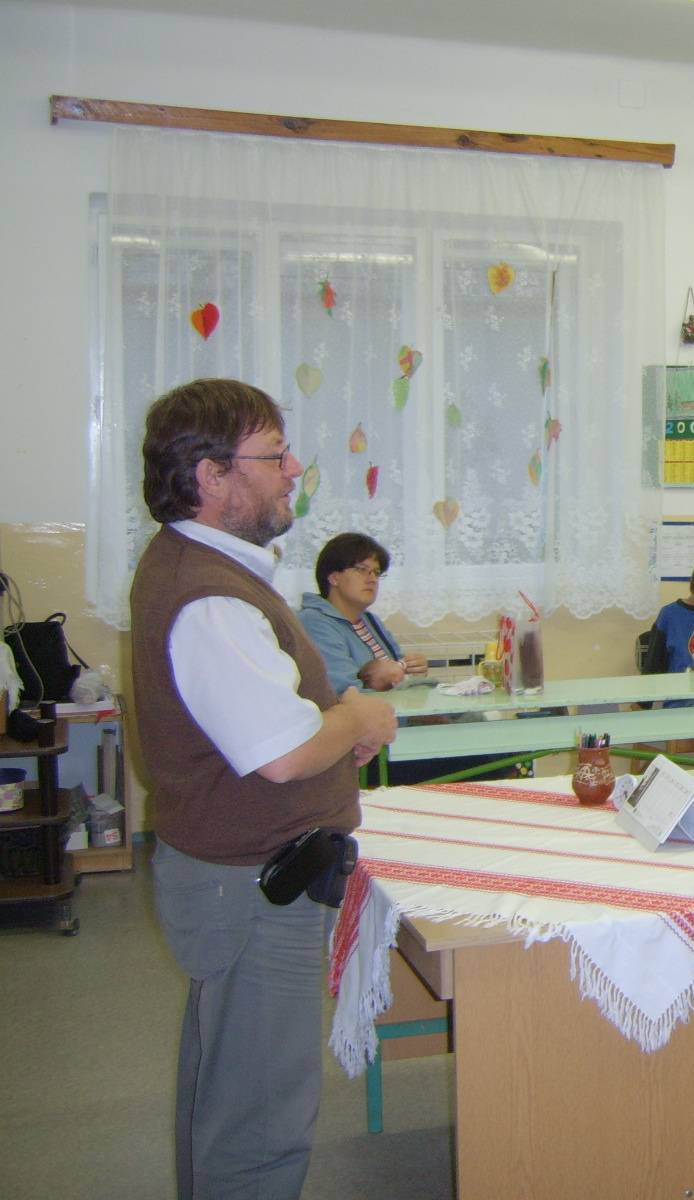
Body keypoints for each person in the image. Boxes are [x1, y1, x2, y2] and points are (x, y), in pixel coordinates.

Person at [130, 378, 398, 1199]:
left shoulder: (206, 570)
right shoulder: (209, 598)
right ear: (212, 476)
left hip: (245, 876)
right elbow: (282, 755)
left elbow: (270, 725)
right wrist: (356, 718)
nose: (294, 469)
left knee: (229, 1088)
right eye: (275, 454)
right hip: (253, 887)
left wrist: (331, 725)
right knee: (260, 1118)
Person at [298, 532, 429, 693]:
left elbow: (398, 675)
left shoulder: (370, 620)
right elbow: (344, 692)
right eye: (362, 569)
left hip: (391, 706)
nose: (372, 579)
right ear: (334, 578)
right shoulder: (314, 622)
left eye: (376, 572)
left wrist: (414, 670)